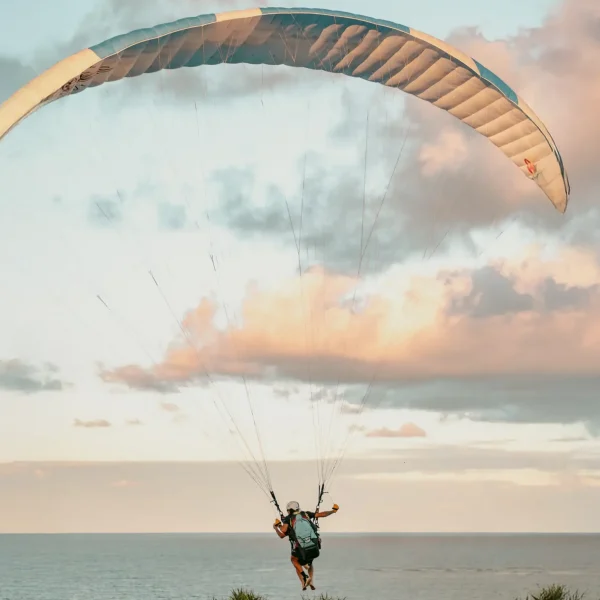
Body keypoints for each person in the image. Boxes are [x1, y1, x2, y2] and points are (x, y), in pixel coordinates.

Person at [273, 500, 339, 590]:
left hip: (301, 549)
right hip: (314, 546)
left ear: (289, 510)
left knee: (294, 560)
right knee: (309, 562)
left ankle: (305, 578)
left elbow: (283, 532)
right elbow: (322, 514)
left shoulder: (288, 519)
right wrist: (333, 511)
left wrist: (276, 527)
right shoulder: (306, 514)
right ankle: (311, 581)